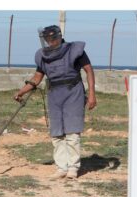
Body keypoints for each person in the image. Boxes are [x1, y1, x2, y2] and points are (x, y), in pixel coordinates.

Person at [14, 25, 97, 179]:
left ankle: (73, 168)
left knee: (72, 131)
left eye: (53, 38)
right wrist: (21, 92)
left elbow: (89, 70)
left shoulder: (75, 50)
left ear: (59, 36)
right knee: (57, 133)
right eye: (48, 39)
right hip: (54, 95)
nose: (51, 42)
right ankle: (61, 168)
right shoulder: (43, 56)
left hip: (73, 92)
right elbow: (37, 78)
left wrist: (92, 94)